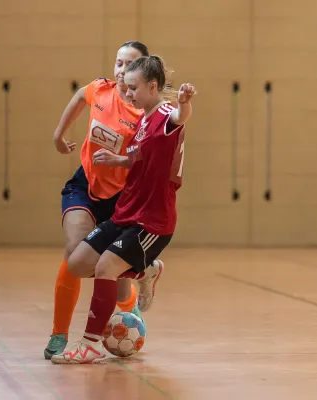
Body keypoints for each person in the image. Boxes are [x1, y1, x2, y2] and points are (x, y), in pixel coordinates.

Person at [51, 55, 196, 364]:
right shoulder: (144, 118)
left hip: (151, 221)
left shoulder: (166, 113)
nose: (127, 94)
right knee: (77, 263)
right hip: (126, 213)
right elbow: (138, 156)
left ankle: (89, 343)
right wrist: (117, 161)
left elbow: (180, 118)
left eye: (133, 88)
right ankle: (145, 270)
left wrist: (184, 102)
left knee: (105, 268)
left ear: (152, 86)